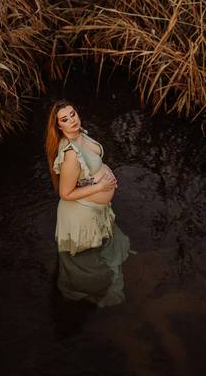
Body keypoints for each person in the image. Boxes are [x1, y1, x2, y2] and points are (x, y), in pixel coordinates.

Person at [45, 99, 132, 307]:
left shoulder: (80, 134)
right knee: (85, 262)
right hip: (80, 214)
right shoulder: (70, 155)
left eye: (72, 114)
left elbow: (90, 165)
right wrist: (100, 187)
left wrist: (104, 175)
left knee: (97, 252)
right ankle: (89, 291)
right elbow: (65, 193)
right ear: (59, 126)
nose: (72, 120)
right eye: (64, 119)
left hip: (94, 208)